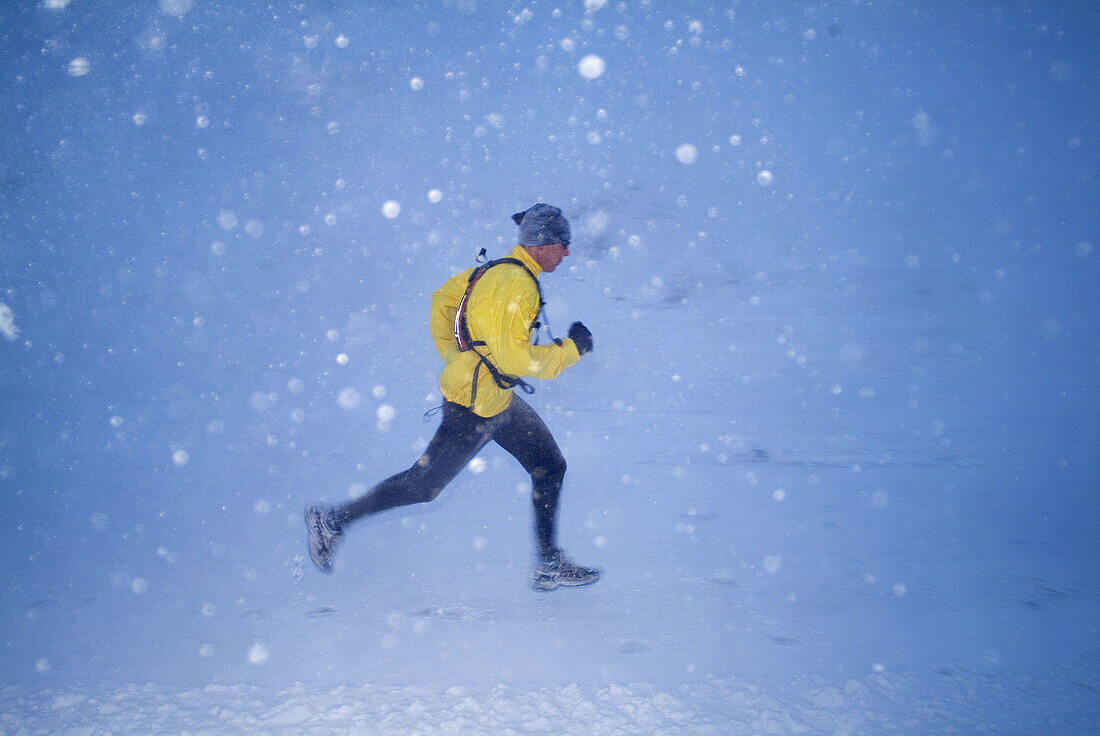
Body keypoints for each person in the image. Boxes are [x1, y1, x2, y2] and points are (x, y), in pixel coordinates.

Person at [305, 203, 599, 592]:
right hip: (474, 406)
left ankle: (548, 563)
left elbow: (441, 301)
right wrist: (571, 349)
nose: (566, 252)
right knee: (424, 485)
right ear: (543, 242)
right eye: (563, 243)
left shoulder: (491, 271)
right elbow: (515, 358)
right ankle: (331, 520)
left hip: (495, 398)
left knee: (549, 464)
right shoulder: (517, 284)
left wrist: (458, 358)